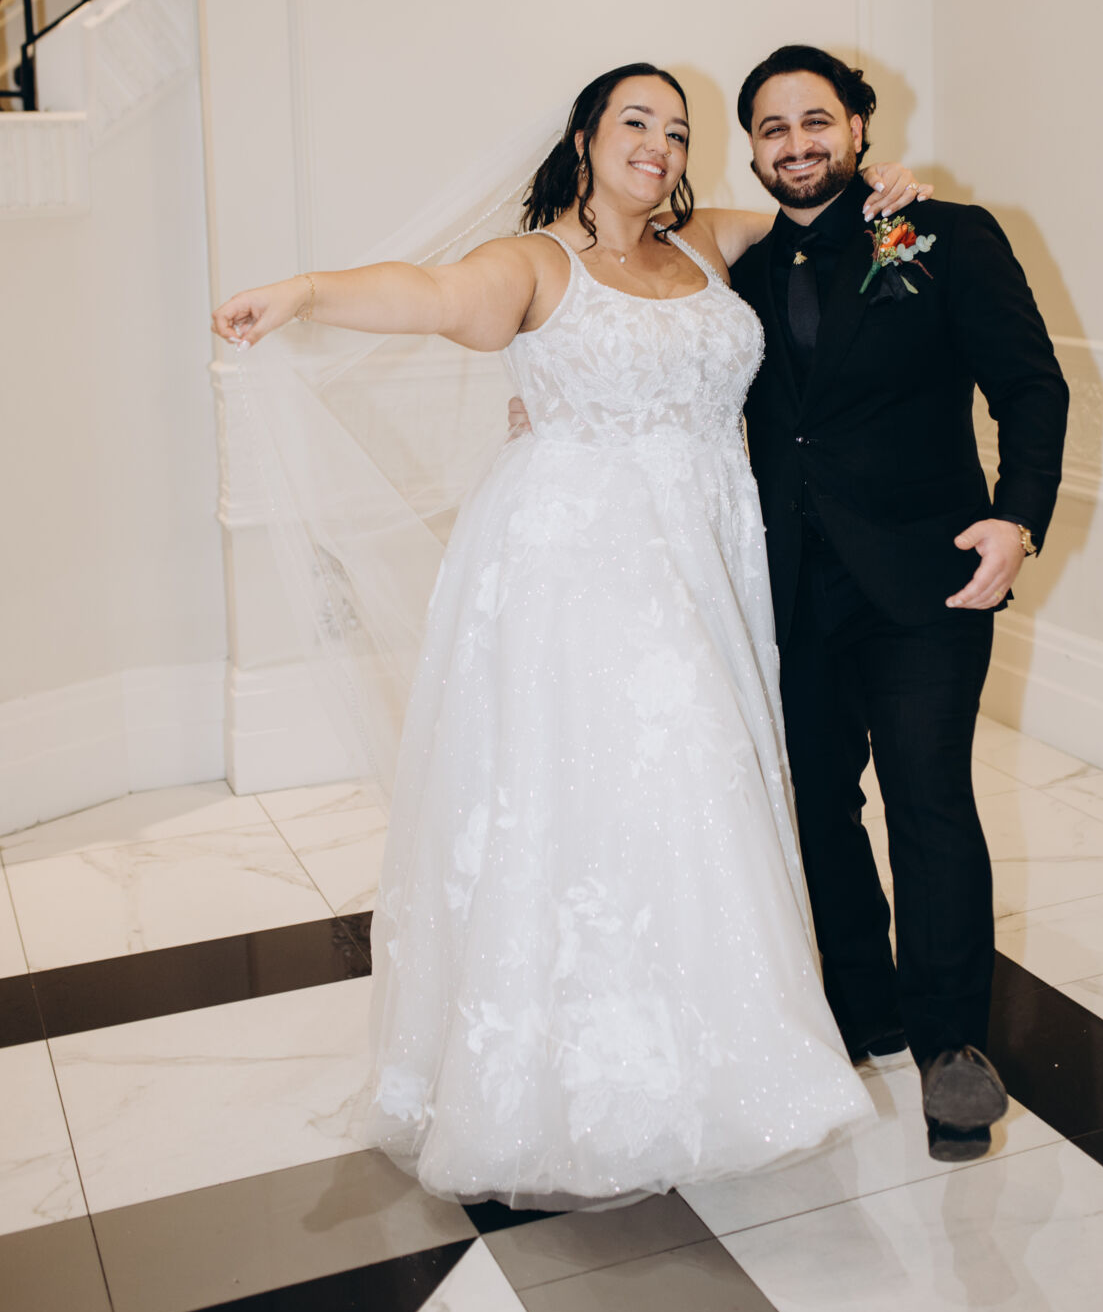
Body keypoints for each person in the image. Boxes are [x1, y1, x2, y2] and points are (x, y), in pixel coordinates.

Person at [211, 62, 929, 1210]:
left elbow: (814, 215)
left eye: (676, 130)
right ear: (586, 138)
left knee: (697, 803)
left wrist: (887, 183)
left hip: (705, 553)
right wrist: (304, 290)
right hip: (580, 565)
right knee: (618, 795)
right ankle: (581, 1085)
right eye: (634, 121)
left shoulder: (706, 243)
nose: (658, 143)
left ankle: (702, 1058)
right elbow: (428, 292)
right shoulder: (536, 263)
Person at [730, 44, 1069, 1162]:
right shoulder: (733, 272)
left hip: (928, 577)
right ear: (752, 150)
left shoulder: (944, 235)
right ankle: (859, 1002)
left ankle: (951, 1047)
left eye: (815, 121)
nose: (796, 145)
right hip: (786, 584)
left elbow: (1030, 386)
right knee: (818, 807)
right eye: (773, 129)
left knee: (929, 803)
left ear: (859, 127)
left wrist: (1016, 518)